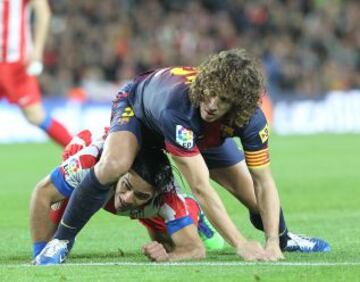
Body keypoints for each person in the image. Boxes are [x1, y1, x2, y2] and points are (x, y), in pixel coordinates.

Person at [38, 49, 329, 264]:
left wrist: (270, 241)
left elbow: (264, 182)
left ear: (239, 105)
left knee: (253, 194)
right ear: (205, 84)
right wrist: (240, 243)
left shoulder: (251, 119)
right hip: (139, 109)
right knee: (115, 164)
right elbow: (200, 187)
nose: (213, 105)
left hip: (201, 132)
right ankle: (61, 241)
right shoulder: (180, 107)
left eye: (224, 100)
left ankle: (284, 238)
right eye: (212, 93)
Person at [31, 129, 224, 264]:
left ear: (156, 194)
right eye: (127, 186)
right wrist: (40, 252)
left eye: (140, 194)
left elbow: (195, 249)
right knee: (61, 203)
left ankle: (195, 213)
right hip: (100, 161)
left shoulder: (167, 198)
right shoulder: (89, 162)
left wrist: (168, 256)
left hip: (150, 206)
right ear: (122, 171)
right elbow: (42, 193)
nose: (127, 199)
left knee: (170, 242)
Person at [0, 0, 71, 146]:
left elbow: (43, 11)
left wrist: (37, 49)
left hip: (16, 65)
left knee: (35, 114)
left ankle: (82, 153)